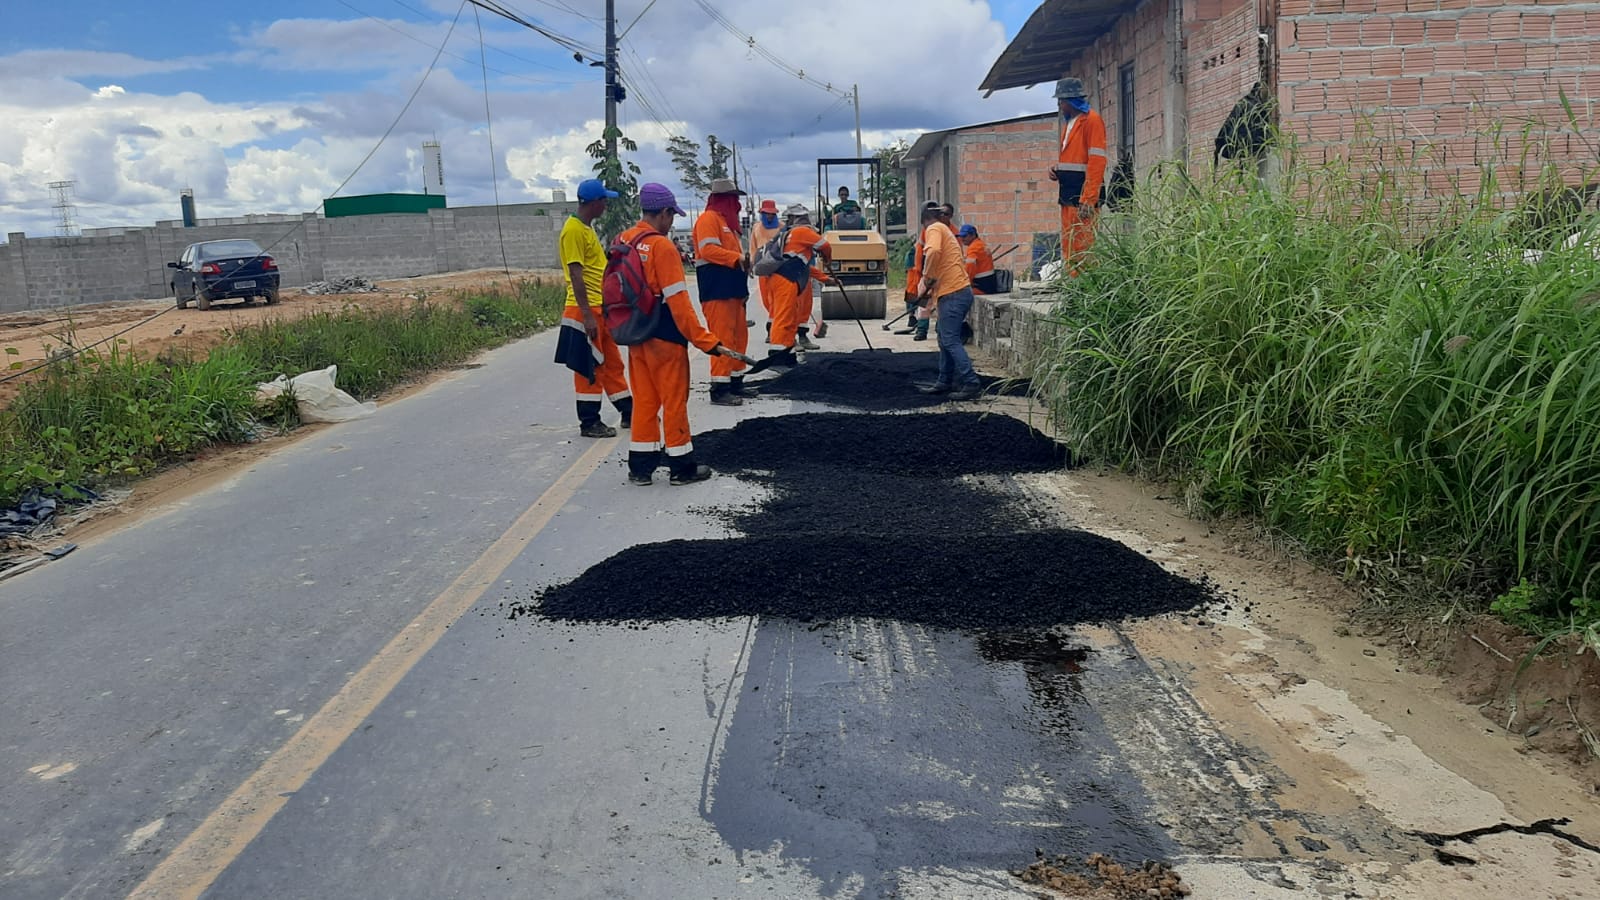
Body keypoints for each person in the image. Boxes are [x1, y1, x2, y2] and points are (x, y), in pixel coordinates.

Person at [620, 183, 751, 486]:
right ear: (664, 212)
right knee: (673, 400)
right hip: (665, 335)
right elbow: (679, 305)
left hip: (636, 334)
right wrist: (707, 342)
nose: (672, 223)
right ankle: (681, 467)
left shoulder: (624, 239)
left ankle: (640, 467)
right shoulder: (662, 247)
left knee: (644, 401)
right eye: (671, 215)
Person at [553, 178, 632, 438]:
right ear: (594, 202)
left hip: (598, 308)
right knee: (589, 368)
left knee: (611, 362)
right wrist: (587, 315)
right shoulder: (574, 230)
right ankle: (589, 422)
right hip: (583, 310)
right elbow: (576, 274)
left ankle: (628, 410)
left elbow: (591, 267)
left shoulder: (585, 229)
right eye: (604, 201)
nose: (606, 205)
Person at [694, 178, 756, 406]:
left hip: (733, 290)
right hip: (717, 289)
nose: (737, 204)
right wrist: (737, 258)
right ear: (723, 199)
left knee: (739, 336)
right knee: (723, 338)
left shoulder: (728, 225)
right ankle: (720, 389)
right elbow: (708, 250)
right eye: (734, 199)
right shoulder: (708, 220)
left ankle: (736, 383)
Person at [915, 202, 980, 400]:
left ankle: (971, 382)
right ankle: (944, 381)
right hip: (954, 292)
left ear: (923, 221)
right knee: (944, 338)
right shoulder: (944, 229)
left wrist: (927, 277)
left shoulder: (934, 228)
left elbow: (933, 252)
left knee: (950, 339)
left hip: (954, 293)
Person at [1048, 77, 1107, 273]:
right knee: (1069, 244)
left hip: (1082, 197)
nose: (1059, 105)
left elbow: (1097, 161)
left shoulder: (1091, 121)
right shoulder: (1070, 124)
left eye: (1061, 101)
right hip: (1068, 195)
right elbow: (1076, 160)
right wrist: (1057, 170)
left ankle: (1084, 290)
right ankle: (1073, 286)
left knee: (1084, 245)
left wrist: (1088, 200)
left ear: (1069, 100)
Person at [765, 203, 834, 369]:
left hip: (784, 279)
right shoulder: (802, 232)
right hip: (784, 280)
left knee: (788, 317)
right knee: (783, 318)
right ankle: (777, 356)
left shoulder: (791, 235)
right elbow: (825, 245)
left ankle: (787, 353)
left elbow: (804, 267)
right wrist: (827, 259)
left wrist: (825, 278)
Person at [748, 199, 782, 322]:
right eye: (767, 213)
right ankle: (774, 319)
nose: (769, 216)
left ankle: (774, 325)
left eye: (772, 214)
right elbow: (753, 247)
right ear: (762, 213)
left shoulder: (782, 227)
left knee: (777, 298)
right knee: (765, 298)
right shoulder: (756, 228)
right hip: (762, 266)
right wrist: (751, 263)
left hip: (778, 267)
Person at [959, 224, 999, 295]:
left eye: (964, 236)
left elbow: (970, 268)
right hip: (989, 284)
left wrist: (966, 283)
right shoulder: (981, 244)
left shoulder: (973, 248)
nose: (962, 239)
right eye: (961, 236)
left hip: (982, 287)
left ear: (973, 235)